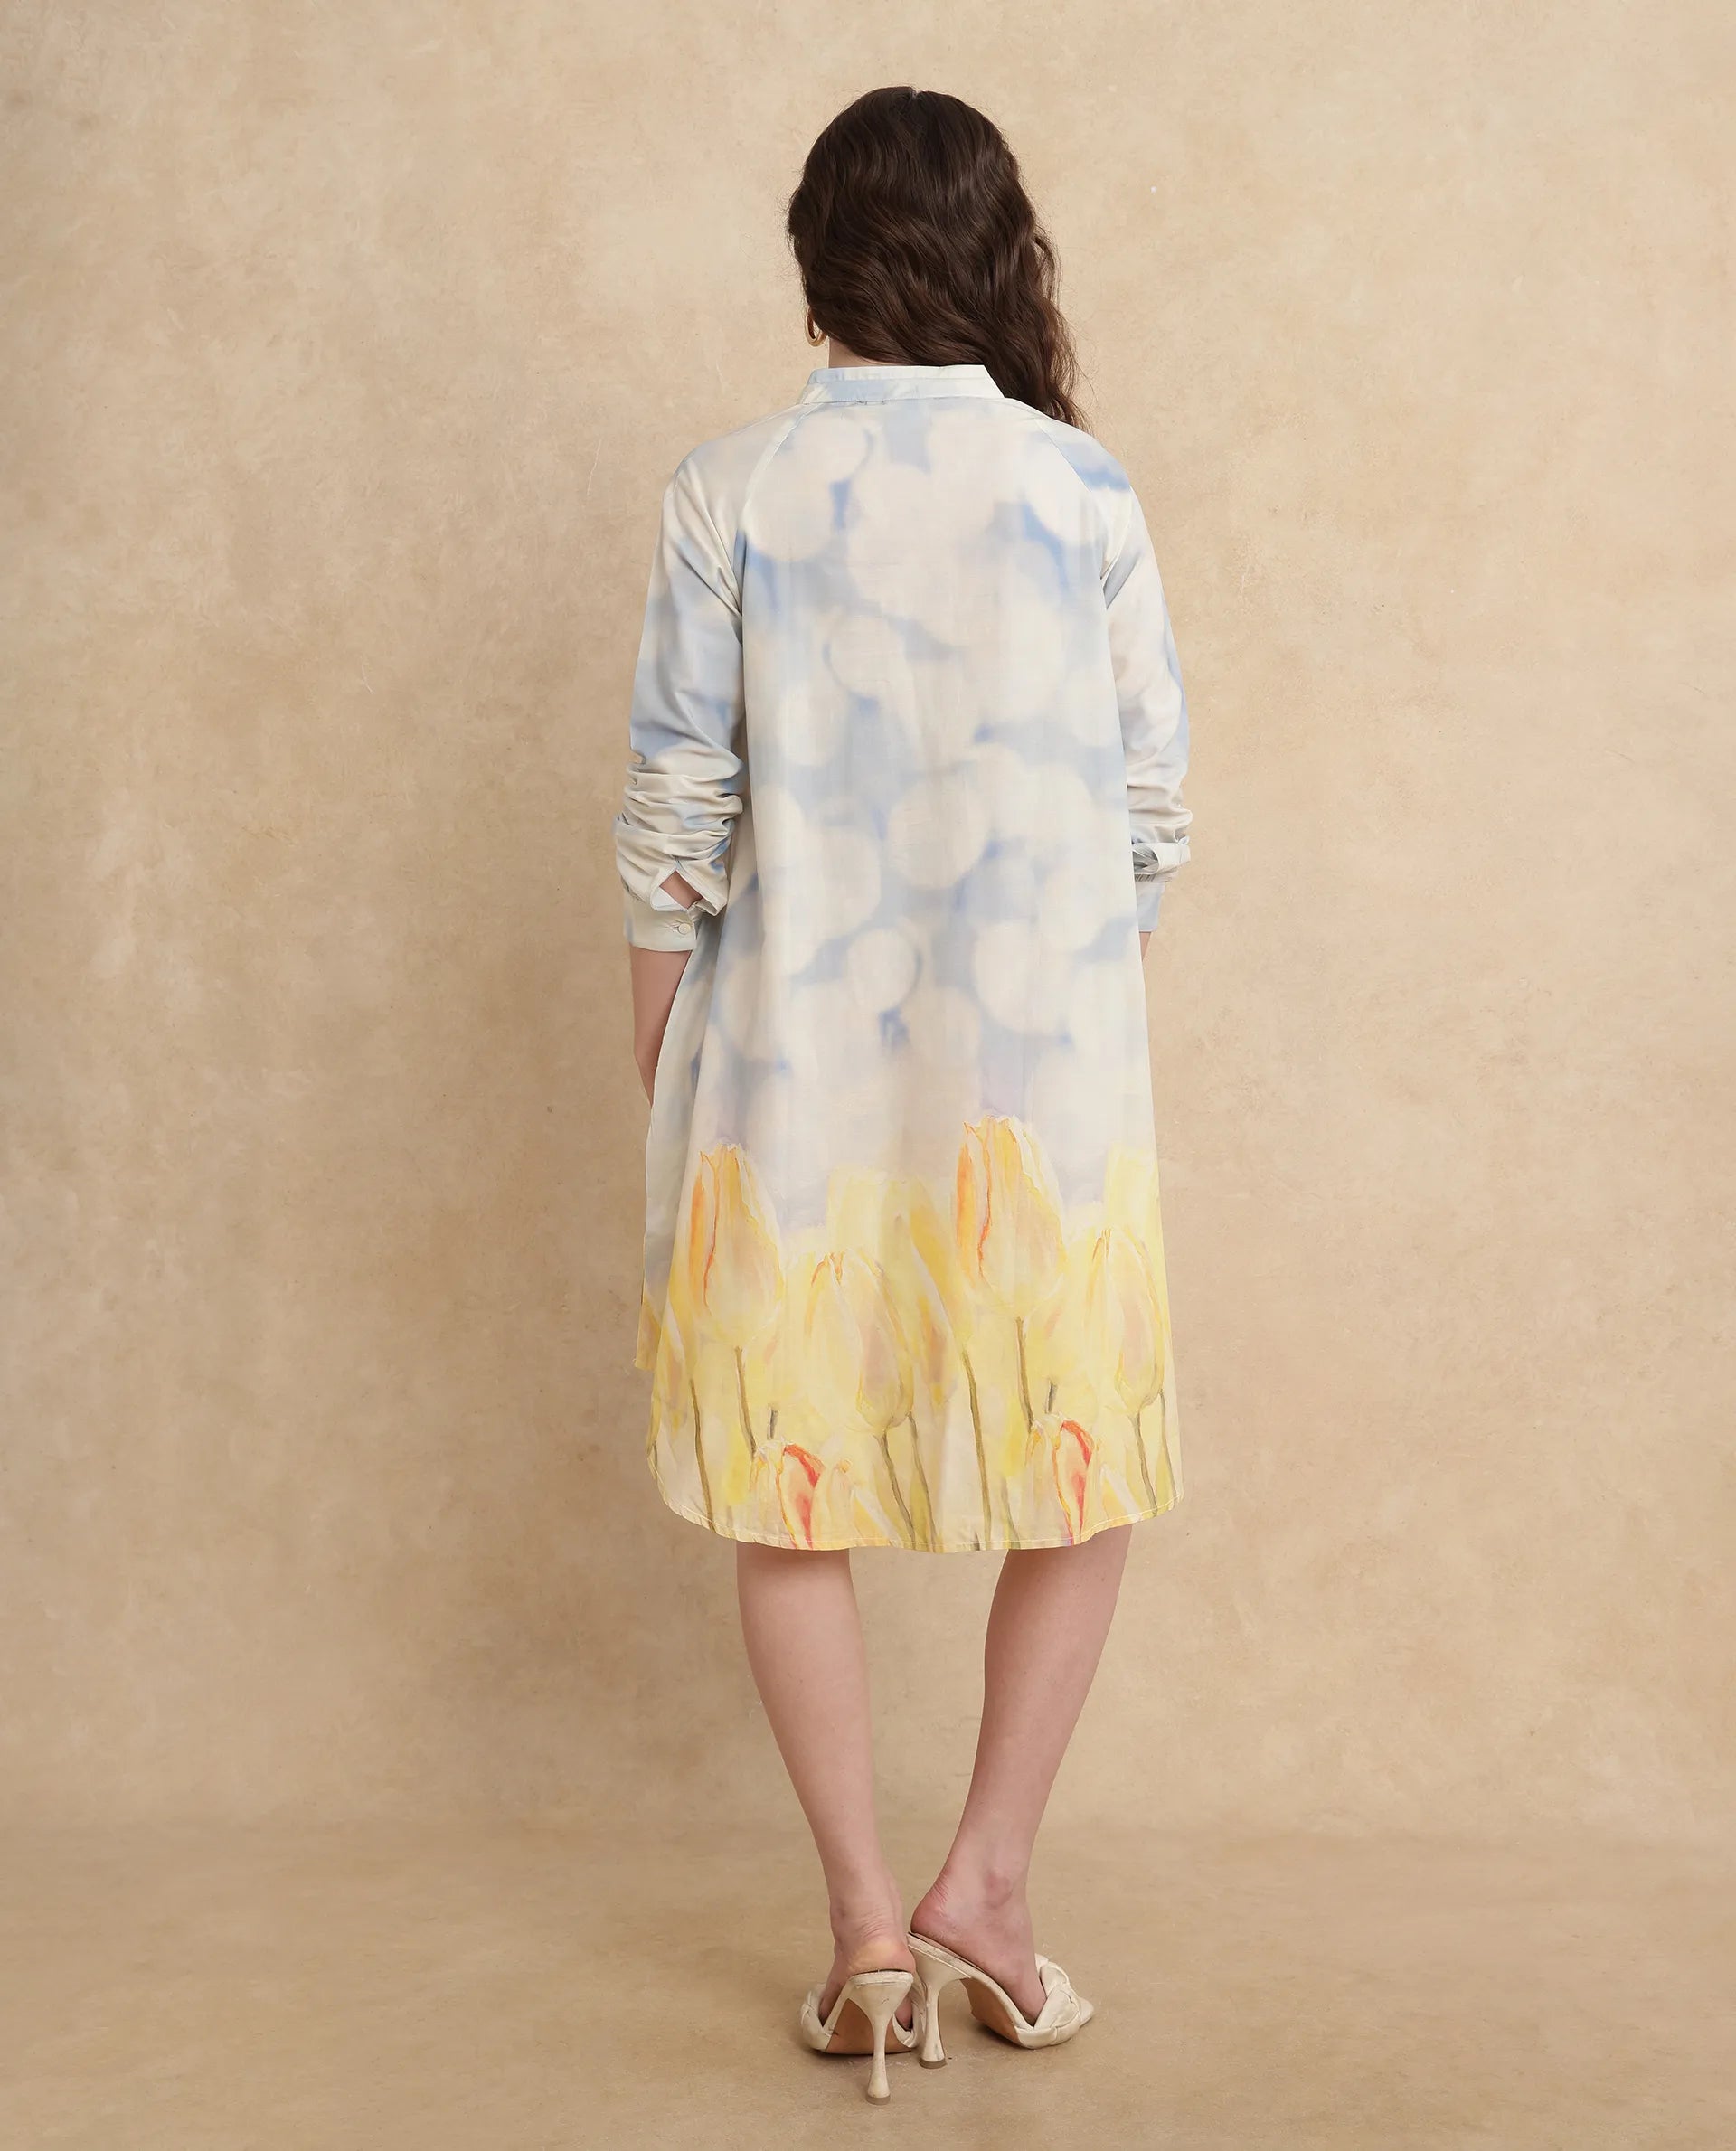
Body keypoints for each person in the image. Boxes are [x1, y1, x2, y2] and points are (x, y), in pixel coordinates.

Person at [613, 86, 1194, 2103]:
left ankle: (868, 1925)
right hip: (1049, 1093)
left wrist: (665, 1067)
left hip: (786, 1095)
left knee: (789, 1484)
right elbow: (1150, 818)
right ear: (996, 252)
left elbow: (673, 826)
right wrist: (1065, 1020)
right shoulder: (1081, 490)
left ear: (819, 263)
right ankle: (989, 1887)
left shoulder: (729, 492)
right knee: (1082, 1466)